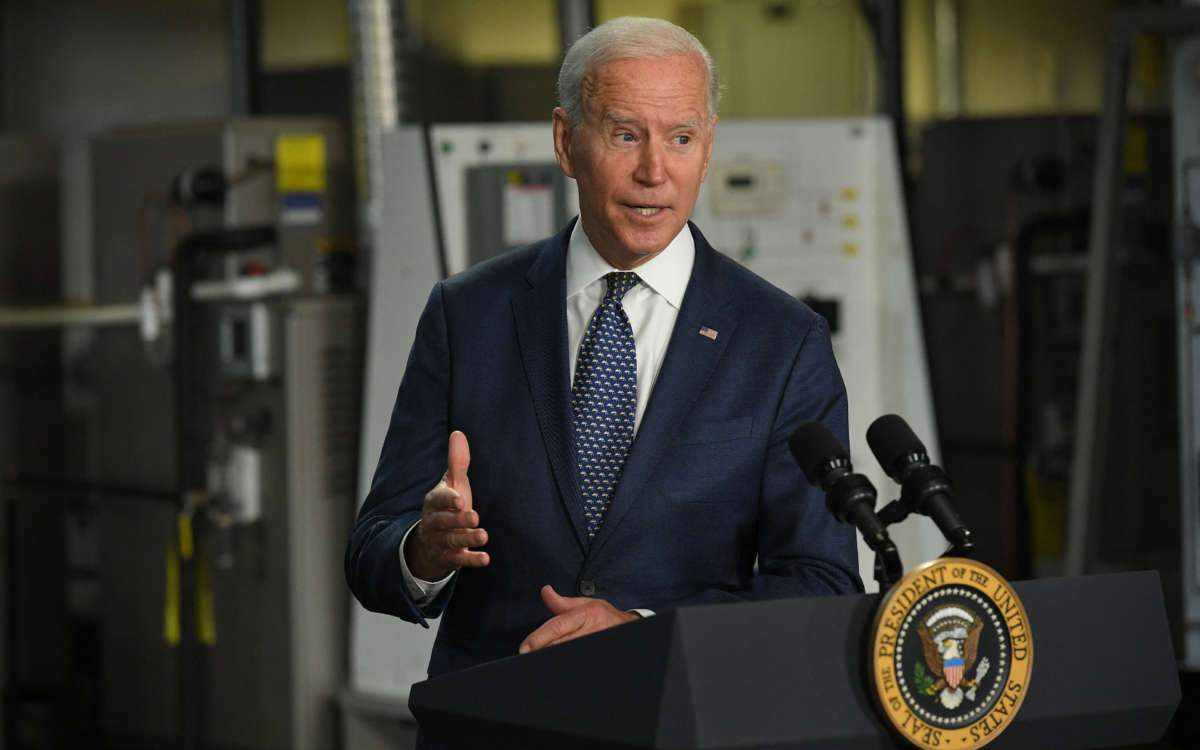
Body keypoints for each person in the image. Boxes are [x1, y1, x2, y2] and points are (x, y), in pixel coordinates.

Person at [345, 16, 862, 679]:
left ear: (707, 151)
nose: (655, 171)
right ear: (566, 142)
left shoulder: (782, 341)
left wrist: (644, 631)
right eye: (625, 135)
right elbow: (370, 554)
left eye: (681, 138)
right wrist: (423, 550)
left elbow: (821, 584)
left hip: (680, 717)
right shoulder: (467, 314)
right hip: (495, 722)